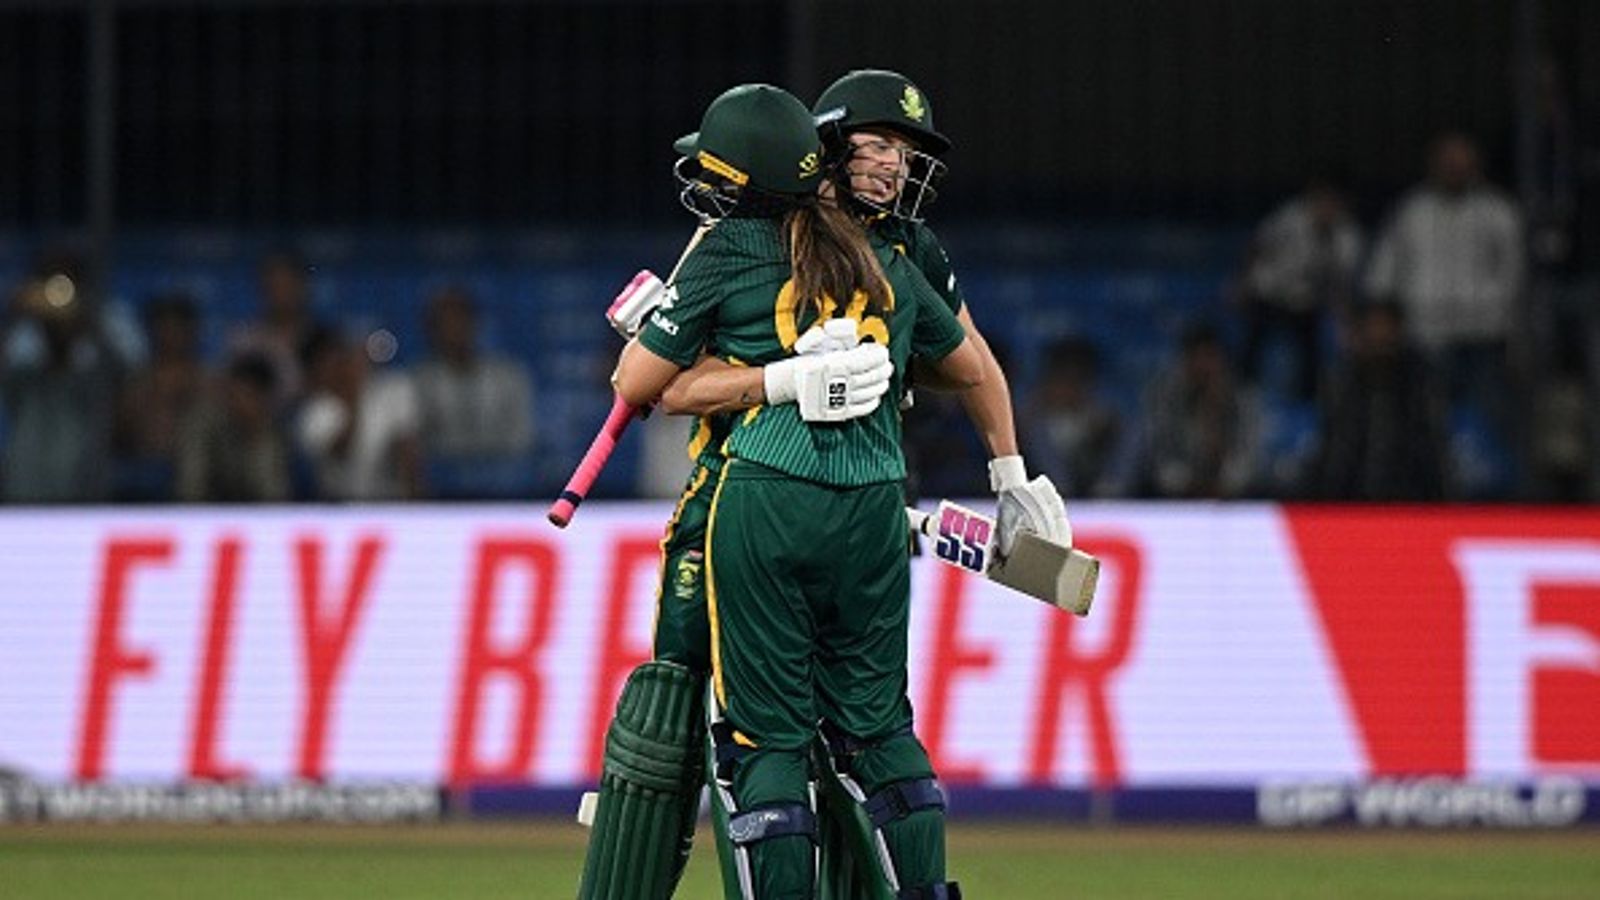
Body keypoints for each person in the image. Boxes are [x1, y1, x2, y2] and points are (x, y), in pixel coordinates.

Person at [579, 74, 1066, 900]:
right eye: (876, 145)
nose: (892, 167)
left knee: (747, 737)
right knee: (860, 734)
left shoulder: (802, 243)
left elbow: (647, 383)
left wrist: (1008, 468)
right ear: (824, 148)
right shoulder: (883, 264)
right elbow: (964, 361)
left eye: (902, 152)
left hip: (755, 496)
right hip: (863, 496)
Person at [1363, 133, 1524, 461]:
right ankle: (1427, 483)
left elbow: (1515, 274)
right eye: (1448, 162)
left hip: (1485, 335)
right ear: (1434, 165)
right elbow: (1382, 274)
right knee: (1423, 417)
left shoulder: (1497, 211)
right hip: (1425, 335)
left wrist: (1509, 324)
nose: (1454, 169)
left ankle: (1511, 489)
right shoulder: (1412, 211)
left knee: (1500, 416)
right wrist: (1383, 317)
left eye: (1461, 162)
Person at [1236, 173, 1363, 402]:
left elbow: (1341, 287)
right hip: (1269, 294)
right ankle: (1242, 394)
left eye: (1333, 202)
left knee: (1311, 357)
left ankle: (1306, 402)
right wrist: (1243, 283)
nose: (1327, 208)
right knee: (1251, 349)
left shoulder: (1348, 236)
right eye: (1323, 200)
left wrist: (1346, 323)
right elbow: (1257, 245)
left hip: (1306, 302)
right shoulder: (1289, 217)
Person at [1312, 301, 1448, 500]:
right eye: (1374, 328)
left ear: (1399, 332)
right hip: (1348, 498)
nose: (1379, 336)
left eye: (1385, 328)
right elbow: (1334, 451)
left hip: (1408, 499)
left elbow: (1431, 449)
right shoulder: (1341, 382)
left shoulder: (1419, 384)